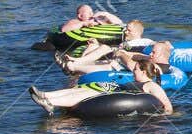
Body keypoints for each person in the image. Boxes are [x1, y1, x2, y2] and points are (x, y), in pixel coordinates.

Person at [29, 47, 175, 115]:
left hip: (112, 94)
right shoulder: (138, 81)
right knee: (81, 90)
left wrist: (162, 116)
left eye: (135, 69)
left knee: (82, 95)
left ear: (143, 71)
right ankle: (45, 95)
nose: (133, 70)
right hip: (111, 89)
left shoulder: (152, 86)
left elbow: (167, 105)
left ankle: (51, 103)